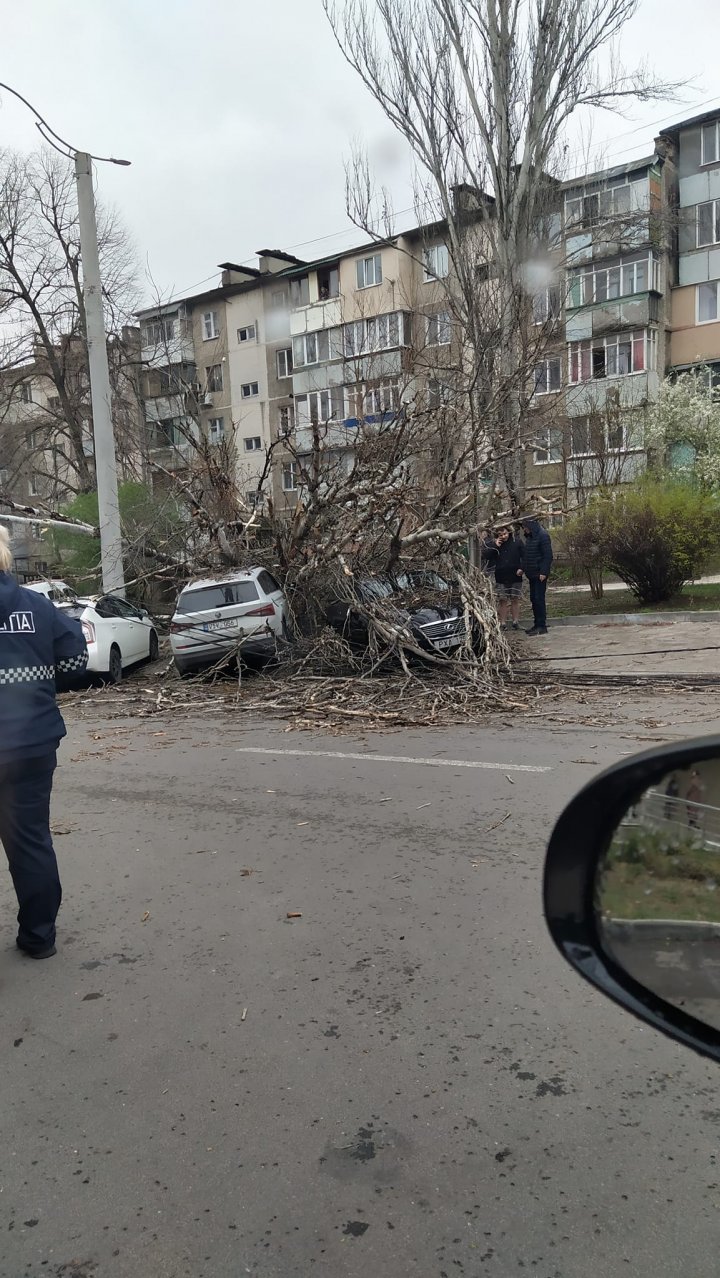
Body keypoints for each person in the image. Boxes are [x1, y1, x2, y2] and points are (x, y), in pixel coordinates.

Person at [0, 526, 88, 959]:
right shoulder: (34, 605)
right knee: (30, 842)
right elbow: (74, 657)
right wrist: (41, 681)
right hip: (31, 746)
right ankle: (38, 938)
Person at [521, 517, 553, 635]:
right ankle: (537, 624)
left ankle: (542, 625)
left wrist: (544, 572)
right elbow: (527, 555)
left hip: (539, 574)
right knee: (534, 599)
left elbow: (548, 556)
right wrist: (522, 568)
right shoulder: (530, 538)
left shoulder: (543, 536)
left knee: (539, 599)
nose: (524, 530)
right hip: (532, 574)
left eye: (525, 527)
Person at [493, 526, 524, 630]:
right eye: (500, 535)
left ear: (509, 532)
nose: (503, 536)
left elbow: (524, 556)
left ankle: (515, 621)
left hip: (515, 575)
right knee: (503, 600)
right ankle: (503, 623)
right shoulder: (495, 544)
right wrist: (496, 546)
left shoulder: (517, 542)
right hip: (501, 576)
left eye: (505, 534)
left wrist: (522, 568)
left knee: (515, 599)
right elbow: (487, 555)